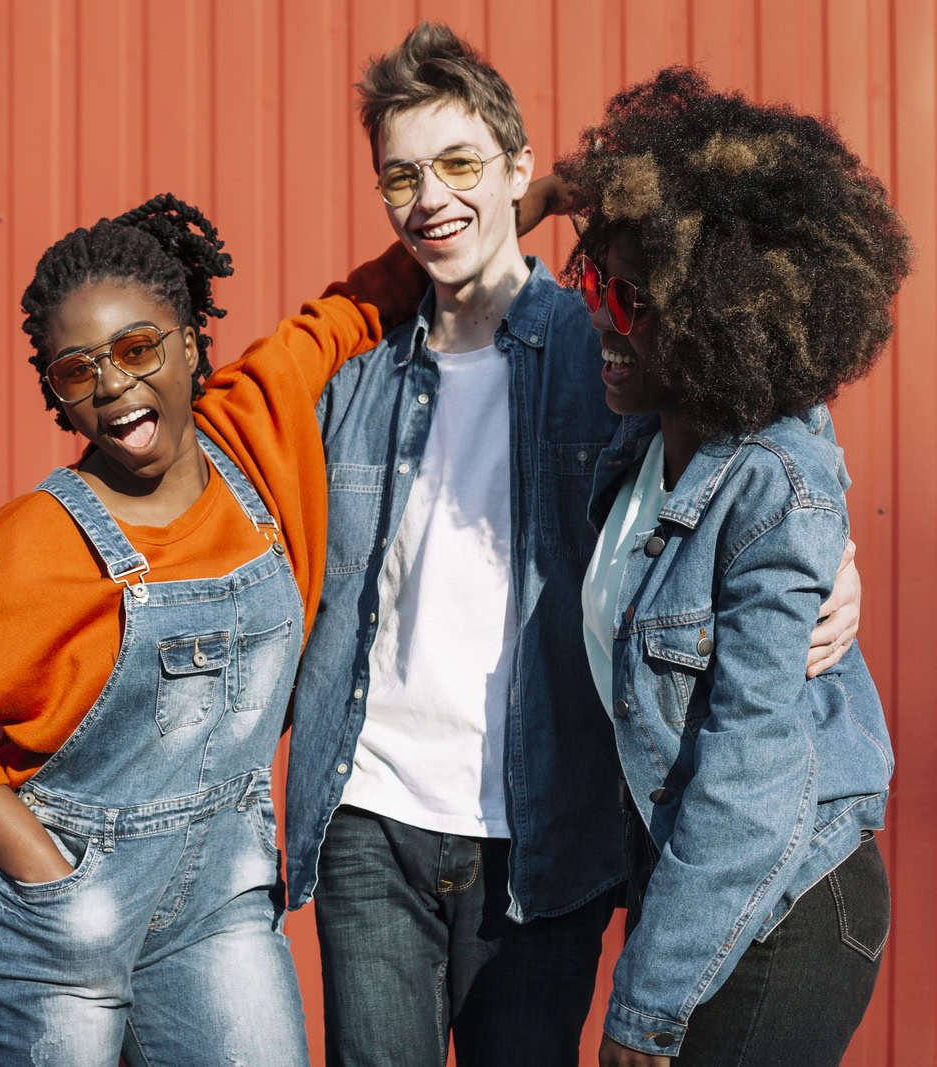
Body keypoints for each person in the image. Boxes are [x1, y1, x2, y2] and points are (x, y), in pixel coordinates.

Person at [282, 23, 866, 1066]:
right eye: (400, 176)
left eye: (459, 163)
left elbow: (764, 421)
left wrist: (838, 555)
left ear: (518, 170)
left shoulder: (605, 340)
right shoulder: (353, 376)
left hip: (544, 818)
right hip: (369, 803)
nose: (429, 197)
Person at [0, 194, 421, 1066]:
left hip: (219, 904)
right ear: (57, 394)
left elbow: (358, 304)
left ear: (189, 341)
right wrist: (48, 876)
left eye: (137, 348)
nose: (112, 384)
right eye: (76, 370)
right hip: (52, 933)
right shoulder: (42, 538)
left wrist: (526, 203)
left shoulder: (254, 433)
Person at [555, 67, 904, 1066]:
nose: (601, 319)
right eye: (592, 280)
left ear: (721, 316)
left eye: (631, 297)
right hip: (694, 890)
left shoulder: (770, 484)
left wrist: (643, 1008)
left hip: (785, 903)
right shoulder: (642, 441)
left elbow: (750, 778)